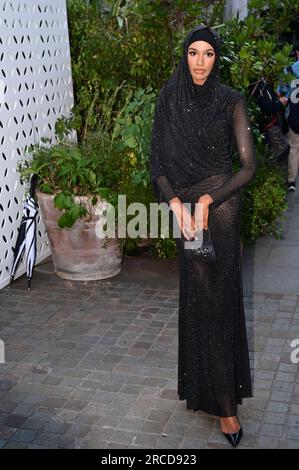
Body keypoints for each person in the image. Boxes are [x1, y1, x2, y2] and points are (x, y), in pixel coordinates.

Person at [150, 24, 257, 448]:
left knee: (217, 298)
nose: (199, 61)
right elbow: (157, 161)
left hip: (220, 204)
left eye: (207, 54)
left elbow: (248, 167)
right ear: (185, 55)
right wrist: (176, 205)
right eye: (193, 52)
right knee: (199, 297)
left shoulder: (231, 100)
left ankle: (227, 408)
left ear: (217, 58)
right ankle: (204, 390)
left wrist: (209, 201)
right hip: (186, 210)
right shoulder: (168, 97)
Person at [277, 40, 299, 191]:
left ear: (297, 53)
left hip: (294, 116)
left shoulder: (289, 70)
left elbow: (281, 94)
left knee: (295, 148)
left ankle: (291, 181)